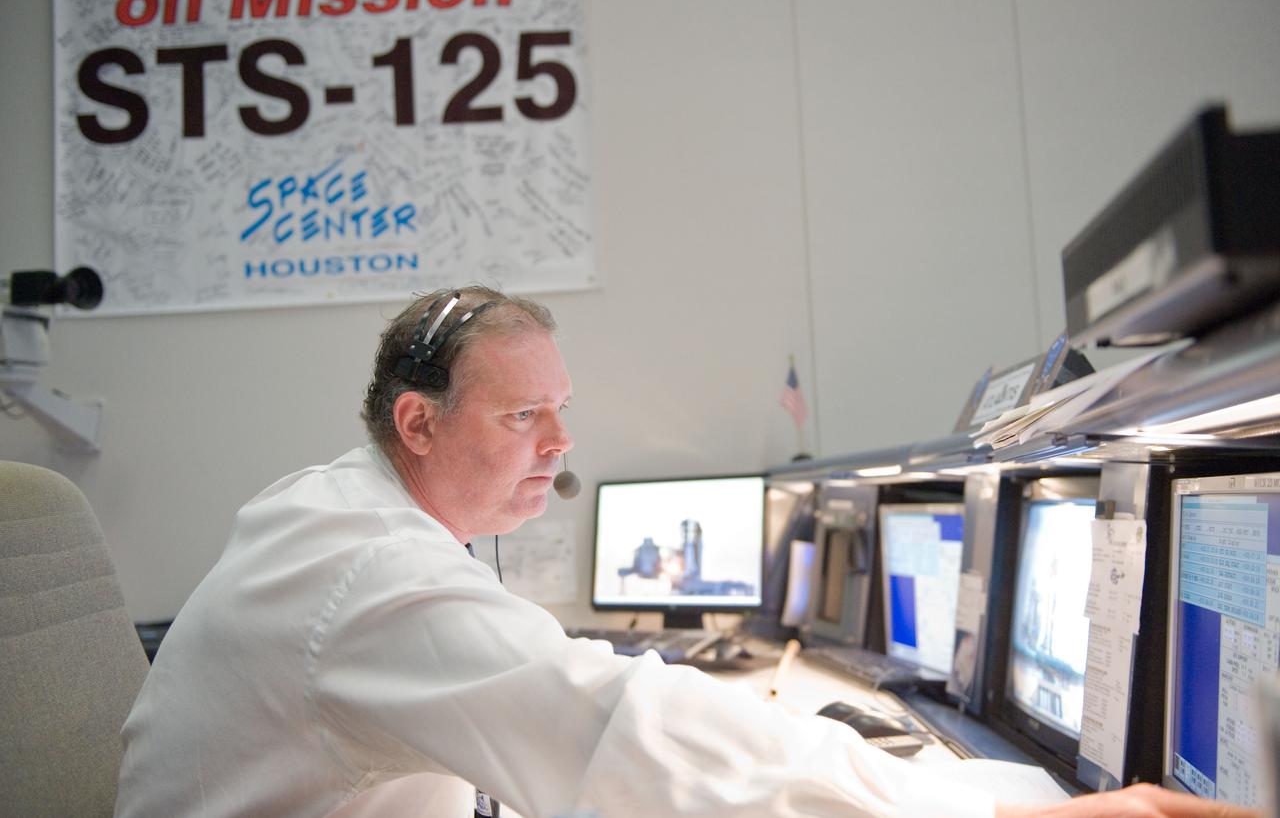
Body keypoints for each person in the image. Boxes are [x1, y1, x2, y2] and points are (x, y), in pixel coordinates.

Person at [115, 286, 1261, 818]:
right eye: (522, 417)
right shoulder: (368, 572)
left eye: (560, 408)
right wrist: (1000, 813)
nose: (561, 443)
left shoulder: (343, 513)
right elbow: (614, 726)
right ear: (418, 422)